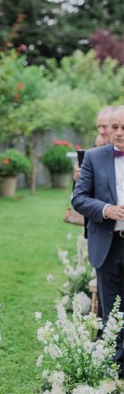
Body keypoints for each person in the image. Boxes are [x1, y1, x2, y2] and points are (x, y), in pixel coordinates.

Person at [73, 105, 124, 376]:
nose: (118, 133)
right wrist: (106, 210)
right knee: (111, 312)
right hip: (109, 244)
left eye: (123, 128)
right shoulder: (93, 157)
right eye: (114, 127)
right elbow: (78, 198)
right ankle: (113, 370)